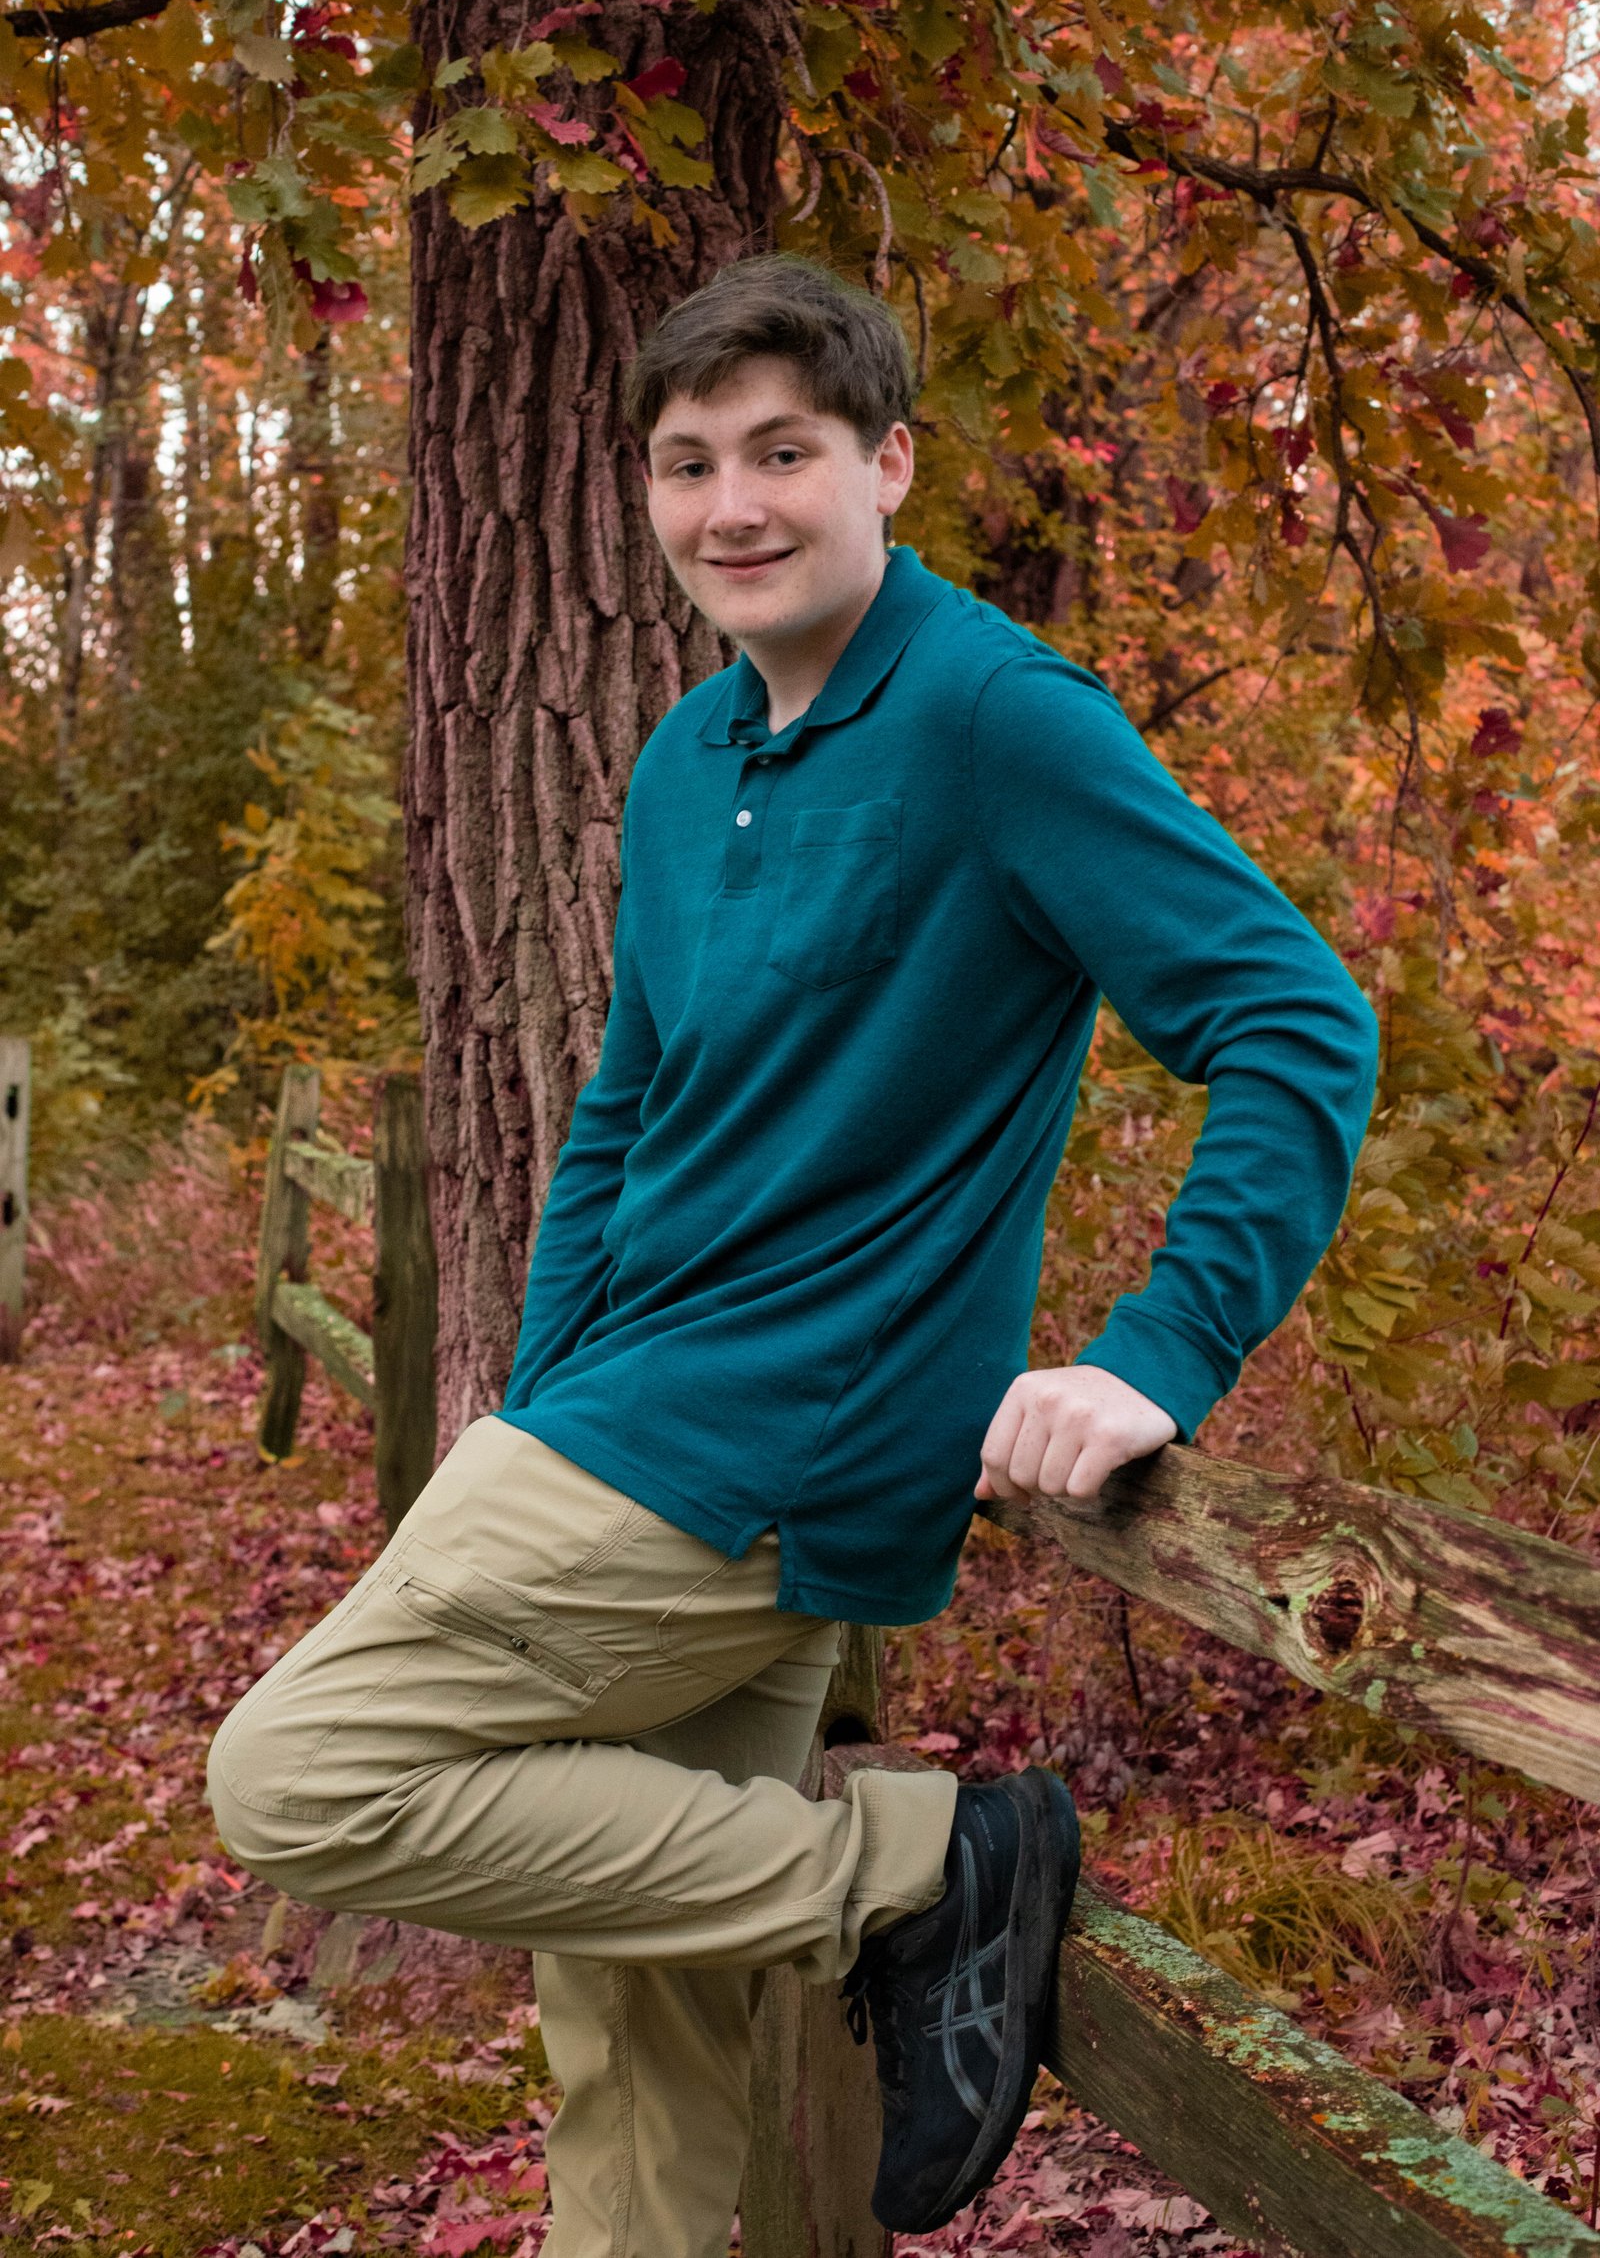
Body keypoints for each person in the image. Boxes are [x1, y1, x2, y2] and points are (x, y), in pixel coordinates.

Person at [205, 254, 1381, 2256]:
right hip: (624, 1418)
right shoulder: (686, 759)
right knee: (645, 2034)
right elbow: (626, 1116)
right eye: (686, 464)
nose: (731, 504)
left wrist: (1154, 1352)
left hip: (773, 1450)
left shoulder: (998, 717)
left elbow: (1293, 1018)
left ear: (884, 463)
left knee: (295, 1775)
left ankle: (921, 1870)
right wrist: (536, 1386)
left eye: (781, 451)